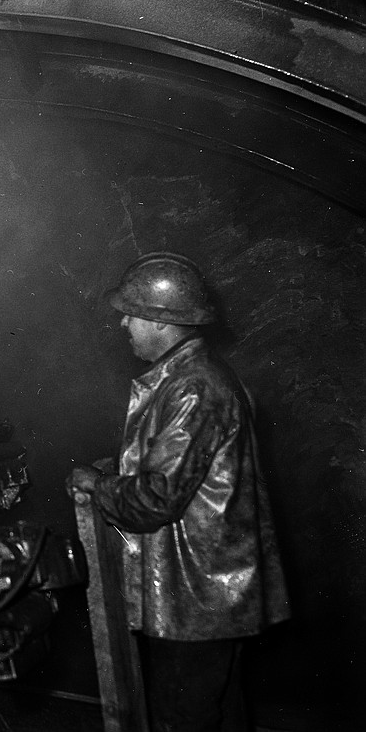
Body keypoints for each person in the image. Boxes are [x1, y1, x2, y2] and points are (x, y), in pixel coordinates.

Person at [68, 252, 290, 732]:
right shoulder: (188, 379)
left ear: (162, 323)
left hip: (198, 599)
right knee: (220, 712)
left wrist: (97, 485)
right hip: (210, 597)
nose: (124, 323)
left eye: (132, 314)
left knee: (184, 718)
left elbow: (155, 499)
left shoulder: (193, 388)